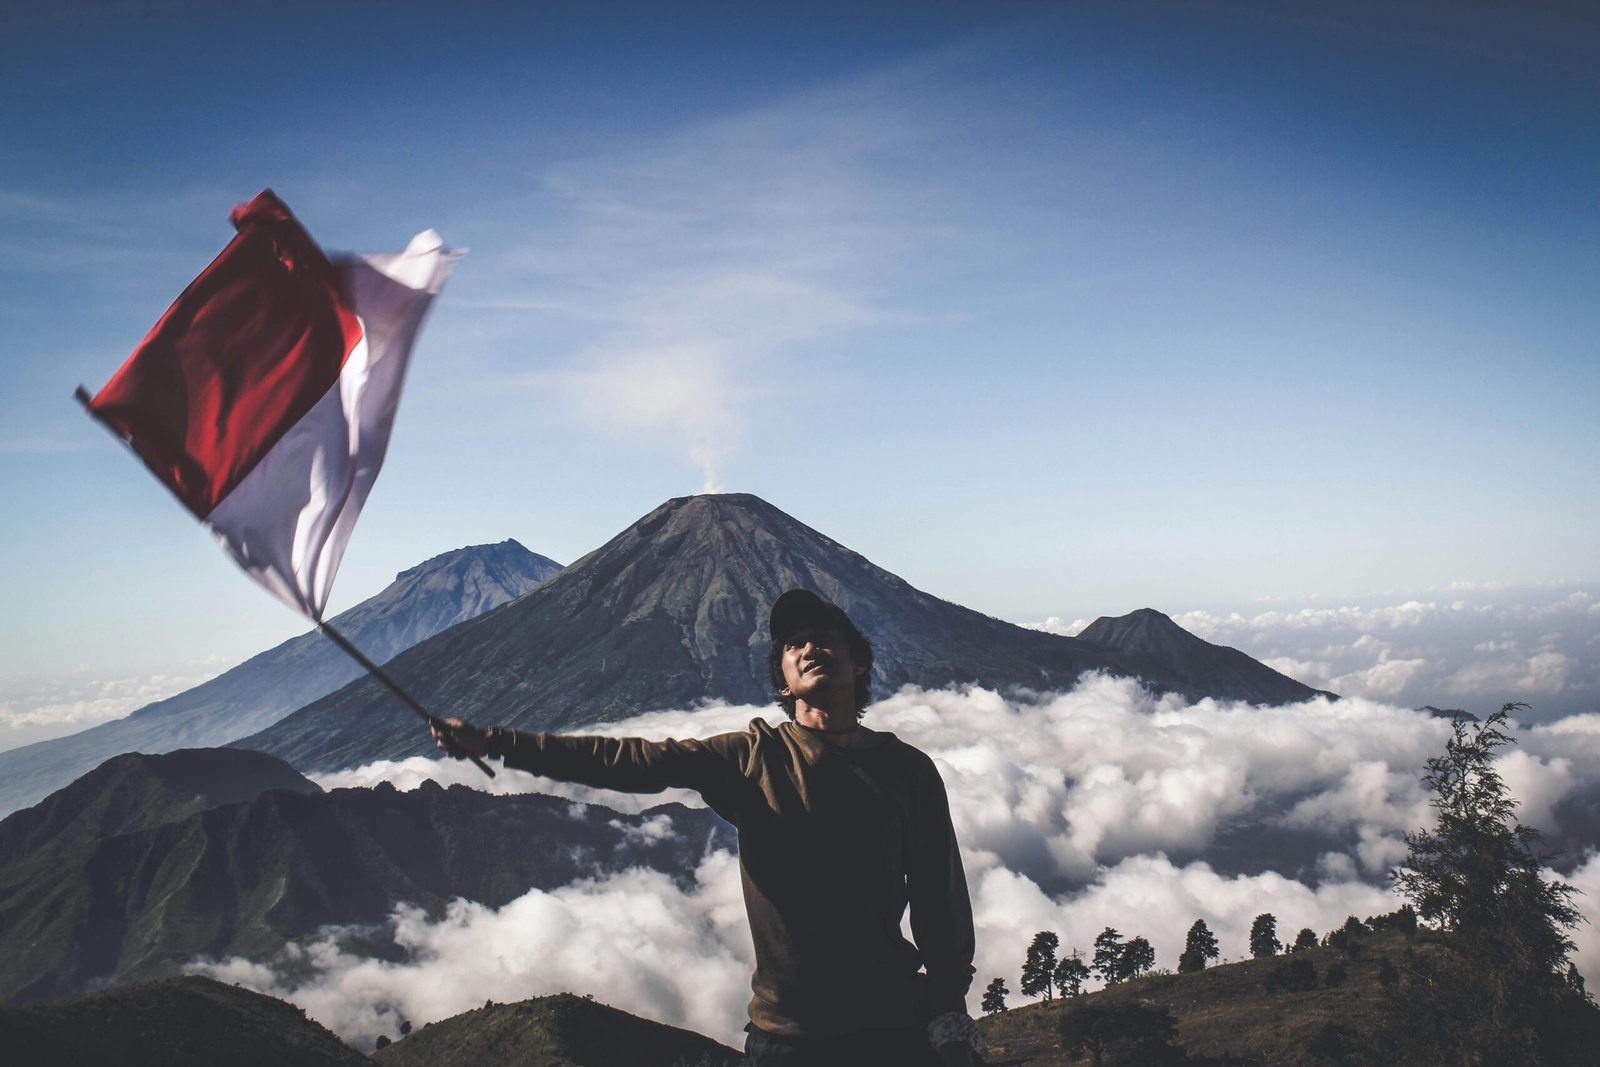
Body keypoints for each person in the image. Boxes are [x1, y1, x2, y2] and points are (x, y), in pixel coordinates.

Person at [432, 588, 981, 1066]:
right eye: (794, 645)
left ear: (858, 662)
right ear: (783, 684)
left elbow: (939, 897)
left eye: (824, 637)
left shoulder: (907, 770)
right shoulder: (752, 758)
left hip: (892, 1028)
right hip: (789, 1040)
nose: (810, 647)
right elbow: (630, 759)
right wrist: (501, 743)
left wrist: (950, 1017)